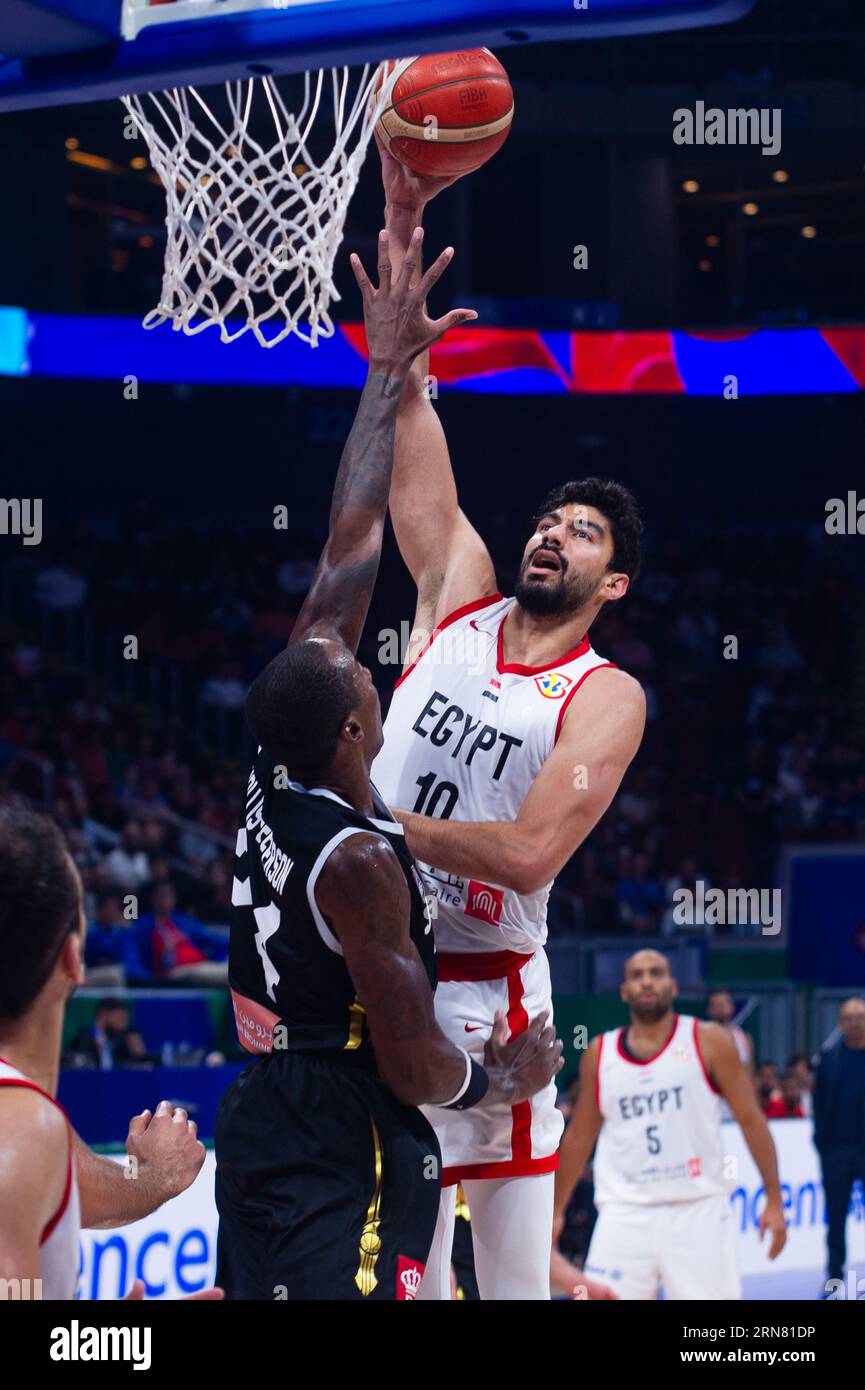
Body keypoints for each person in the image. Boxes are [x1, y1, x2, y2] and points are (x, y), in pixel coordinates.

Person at [214, 229, 562, 1303]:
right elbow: (414, 1065)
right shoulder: (362, 858)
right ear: (356, 730)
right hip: (347, 1119)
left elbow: (349, 536)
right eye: (361, 680)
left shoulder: (277, 758)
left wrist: (384, 369)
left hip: (259, 1106)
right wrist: (501, 1074)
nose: (361, 659)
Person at [368, 139, 646, 1300]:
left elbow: (532, 850)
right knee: (400, 1279)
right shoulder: (457, 593)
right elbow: (409, 439)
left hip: (496, 997)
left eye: (585, 532)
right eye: (551, 518)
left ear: (612, 584)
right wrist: (396, 343)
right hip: (382, 970)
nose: (554, 533)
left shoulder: (605, 695)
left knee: (514, 1290)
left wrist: (370, 824)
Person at [0, 806, 216, 1300]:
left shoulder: (33, 1130)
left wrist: (153, 1176)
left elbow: (76, 1186)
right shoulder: (21, 1130)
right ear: (74, 959)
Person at [551, 949, 787, 1299]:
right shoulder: (600, 1053)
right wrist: (555, 1209)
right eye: (637, 974)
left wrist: (774, 1199)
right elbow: (580, 1138)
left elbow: (751, 1119)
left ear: (674, 986)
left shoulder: (708, 1040)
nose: (647, 980)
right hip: (624, 1212)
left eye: (656, 973)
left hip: (698, 1209)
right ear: (624, 991)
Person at [813, 997, 865, 1289]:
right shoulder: (829, 1058)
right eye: (849, 1017)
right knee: (835, 1218)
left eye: (860, 1016)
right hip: (836, 1150)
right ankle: (834, 1275)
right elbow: (820, 1105)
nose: (855, 1022)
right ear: (840, 1023)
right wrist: (823, 1143)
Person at [134, 882, 228, 985]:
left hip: (198, 964)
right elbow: (136, 956)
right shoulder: (143, 925)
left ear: (174, 899)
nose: (164, 900)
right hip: (176, 971)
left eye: (168, 896)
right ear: (153, 900)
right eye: (161, 896)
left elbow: (212, 938)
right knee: (232, 974)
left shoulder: (183, 921)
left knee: (234, 966)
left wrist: (236, 943)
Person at [706, 986, 755, 1120]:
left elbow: (750, 1073)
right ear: (709, 1010)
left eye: (724, 1003)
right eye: (716, 1005)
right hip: (713, 1105)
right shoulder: (702, 1039)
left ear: (731, 1007)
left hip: (739, 1104)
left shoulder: (744, 1038)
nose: (721, 1008)